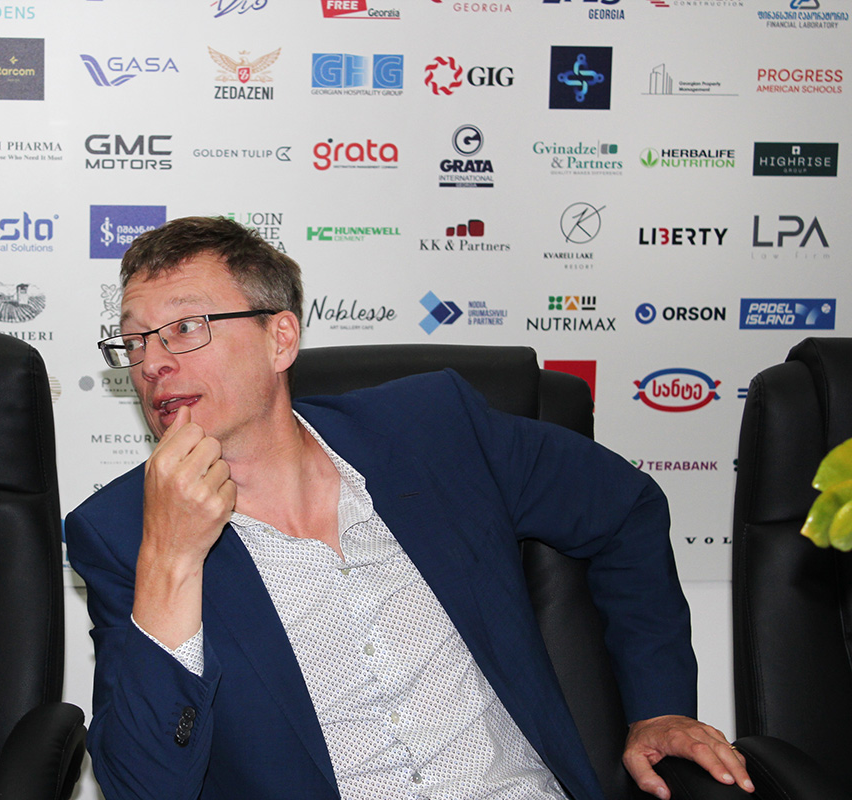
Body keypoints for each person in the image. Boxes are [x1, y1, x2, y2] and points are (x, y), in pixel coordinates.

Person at [65, 216, 754, 800]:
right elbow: (144, 786)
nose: (152, 363)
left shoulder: (432, 430)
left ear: (281, 338)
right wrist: (172, 559)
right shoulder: (122, 534)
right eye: (135, 340)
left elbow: (625, 508)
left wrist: (660, 707)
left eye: (185, 327)